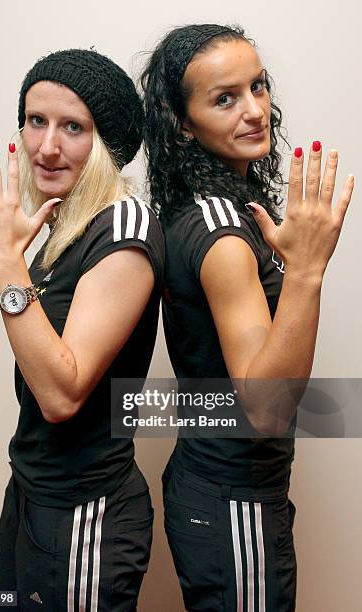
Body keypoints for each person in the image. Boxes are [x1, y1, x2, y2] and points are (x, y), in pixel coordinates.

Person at [141, 24, 353, 611]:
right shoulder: (223, 236)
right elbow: (265, 406)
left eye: (258, 86)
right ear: (182, 124)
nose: (255, 110)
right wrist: (307, 270)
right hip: (230, 498)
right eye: (225, 98)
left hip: (229, 490)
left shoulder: (212, 208)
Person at [0, 48, 164, 612]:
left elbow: (61, 393)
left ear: (106, 143)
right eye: (36, 121)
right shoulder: (62, 218)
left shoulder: (123, 224)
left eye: (73, 127)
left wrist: (5, 263)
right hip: (32, 490)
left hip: (84, 511)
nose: (46, 147)